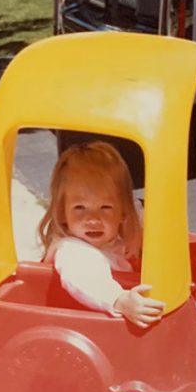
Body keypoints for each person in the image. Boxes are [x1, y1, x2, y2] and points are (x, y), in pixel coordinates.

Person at [38, 141, 165, 329]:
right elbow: (87, 280)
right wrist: (118, 300)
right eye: (79, 207)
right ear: (62, 212)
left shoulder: (122, 222)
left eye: (105, 207)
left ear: (123, 212)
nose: (93, 219)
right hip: (80, 326)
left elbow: (136, 210)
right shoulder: (74, 251)